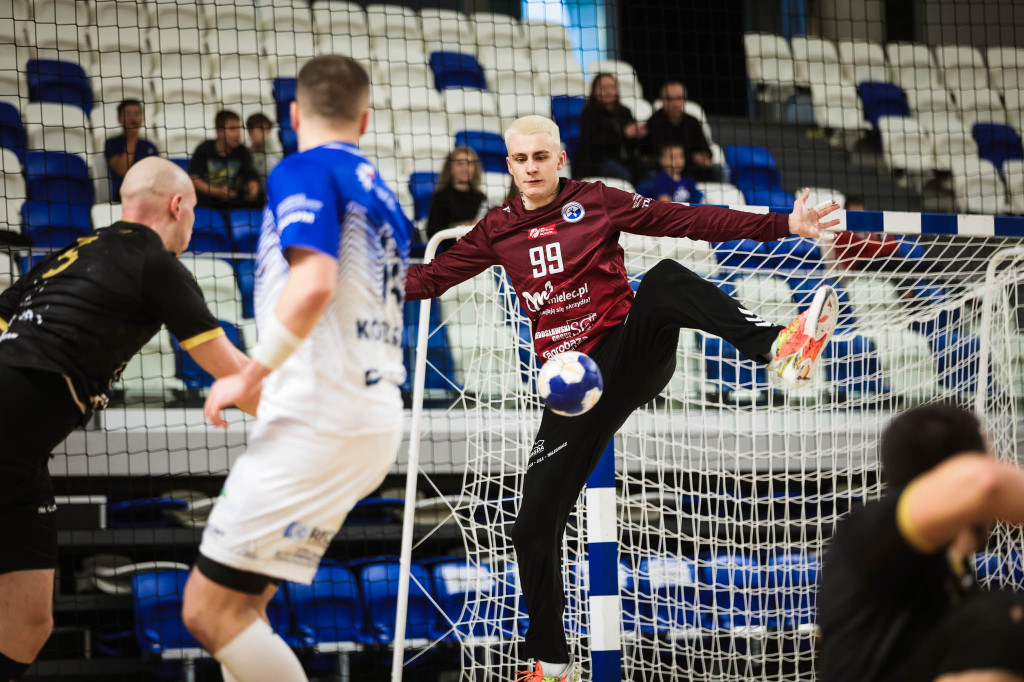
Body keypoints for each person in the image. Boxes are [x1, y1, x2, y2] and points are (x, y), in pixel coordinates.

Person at [406, 114, 842, 682]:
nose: (532, 167)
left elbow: (686, 219)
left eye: (542, 156)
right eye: (520, 159)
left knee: (661, 279)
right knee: (532, 526)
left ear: (560, 159)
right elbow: (428, 280)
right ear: (509, 165)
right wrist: (354, 277)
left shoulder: (597, 201)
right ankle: (550, 663)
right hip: (575, 392)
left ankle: (782, 348)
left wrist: (784, 223)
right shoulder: (496, 229)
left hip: (630, 353)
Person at [181, 55, 412, 682]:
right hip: (370, 414)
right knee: (242, 608)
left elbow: (313, 285)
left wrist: (249, 375)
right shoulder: (384, 191)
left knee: (205, 612)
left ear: (291, 114)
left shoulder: (304, 168)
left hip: (319, 414)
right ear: (364, 120)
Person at [0, 157, 257, 682]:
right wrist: (315, 419)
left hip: (24, 457)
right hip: (9, 419)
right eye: (194, 214)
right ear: (178, 205)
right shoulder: (155, 260)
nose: (191, 227)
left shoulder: (72, 251)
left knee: (28, 622)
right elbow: (233, 376)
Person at [817, 404, 1024, 682]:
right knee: (998, 617)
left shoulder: (954, 571)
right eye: (991, 458)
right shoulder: (869, 532)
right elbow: (985, 482)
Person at [576, 73, 646, 183]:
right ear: (594, 91)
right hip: (599, 163)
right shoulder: (589, 113)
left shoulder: (624, 112)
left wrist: (638, 135)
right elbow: (593, 141)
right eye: (603, 88)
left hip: (626, 160)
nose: (608, 91)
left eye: (612, 87)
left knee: (650, 175)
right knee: (625, 177)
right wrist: (624, 134)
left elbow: (632, 144)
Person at [646, 81, 722, 182]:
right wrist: (692, 158)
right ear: (662, 100)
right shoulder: (654, 122)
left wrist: (703, 157)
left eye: (678, 98)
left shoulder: (693, 121)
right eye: (669, 99)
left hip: (693, 170)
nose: (675, 103)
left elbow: (706, 149)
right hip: (666, 171)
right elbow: (655, 153)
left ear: (684, 100)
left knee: (720, 169)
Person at [189, 110, 261, 210]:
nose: (238, 134)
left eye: (239, 128)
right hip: (205, 205)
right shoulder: (204, 149)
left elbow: (249, 175)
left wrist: (253, 185)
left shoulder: (242, 151)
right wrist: (217, 191)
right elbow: (194, 179)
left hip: (233, 205)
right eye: (232, 129)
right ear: (219, 132)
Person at [426, 146, 487, 252]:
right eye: (460, 163)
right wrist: (463, 227)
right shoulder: (440, 197)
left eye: (470, 163)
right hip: (448, 254)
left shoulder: (480, 197)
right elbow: (432, 232)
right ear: (450, 168)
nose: (465, 168)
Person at [105, 99, 159, 202]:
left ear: (142, 118)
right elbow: (122, 170)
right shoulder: (112, 143)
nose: (133, 118)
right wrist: (132, 138)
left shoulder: (149, 145)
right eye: (128, 114)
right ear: (119, 119)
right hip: (123, 192)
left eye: (137, 113)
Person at [246, 112, 281, 200]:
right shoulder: (245, 153)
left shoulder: (276, 150)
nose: (265, 133)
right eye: (261, 129)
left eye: (268, 129)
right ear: (250, 132)